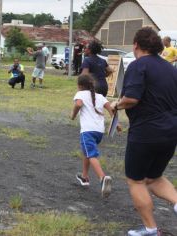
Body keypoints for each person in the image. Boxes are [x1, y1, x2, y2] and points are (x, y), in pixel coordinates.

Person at [110, 27, 177, 236]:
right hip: (171, 130)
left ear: (136, 45)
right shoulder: (171, 68)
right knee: (153, 177)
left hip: (146, 132)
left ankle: (150, 229)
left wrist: (116, 105)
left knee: (136, 180)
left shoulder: (138, 66)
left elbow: (131, 99)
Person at [70, 74, 118, 198]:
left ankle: (102, 178)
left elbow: (79, 104)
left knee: (91, 154)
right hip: (99, 131)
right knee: (87, 152)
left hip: (87, 131)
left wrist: (73, 115)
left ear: (79, 86)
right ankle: (85, 177)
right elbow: (110, 110)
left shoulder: (80, 94)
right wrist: (116, 124)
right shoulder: (100, 96)